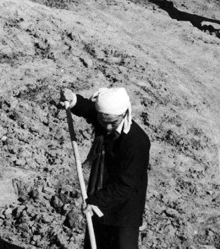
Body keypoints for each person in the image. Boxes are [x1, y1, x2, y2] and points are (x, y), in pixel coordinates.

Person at [57, 86, 150, 249]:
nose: (107, 128)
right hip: (102, 197)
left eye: (112, 123)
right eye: (102, 121)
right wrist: (73, 100)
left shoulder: (137, 142)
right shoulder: (106, 118)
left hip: (125, 209)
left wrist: (95, 202)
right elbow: (90, 110)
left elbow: (126, 185)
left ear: (124, 114)